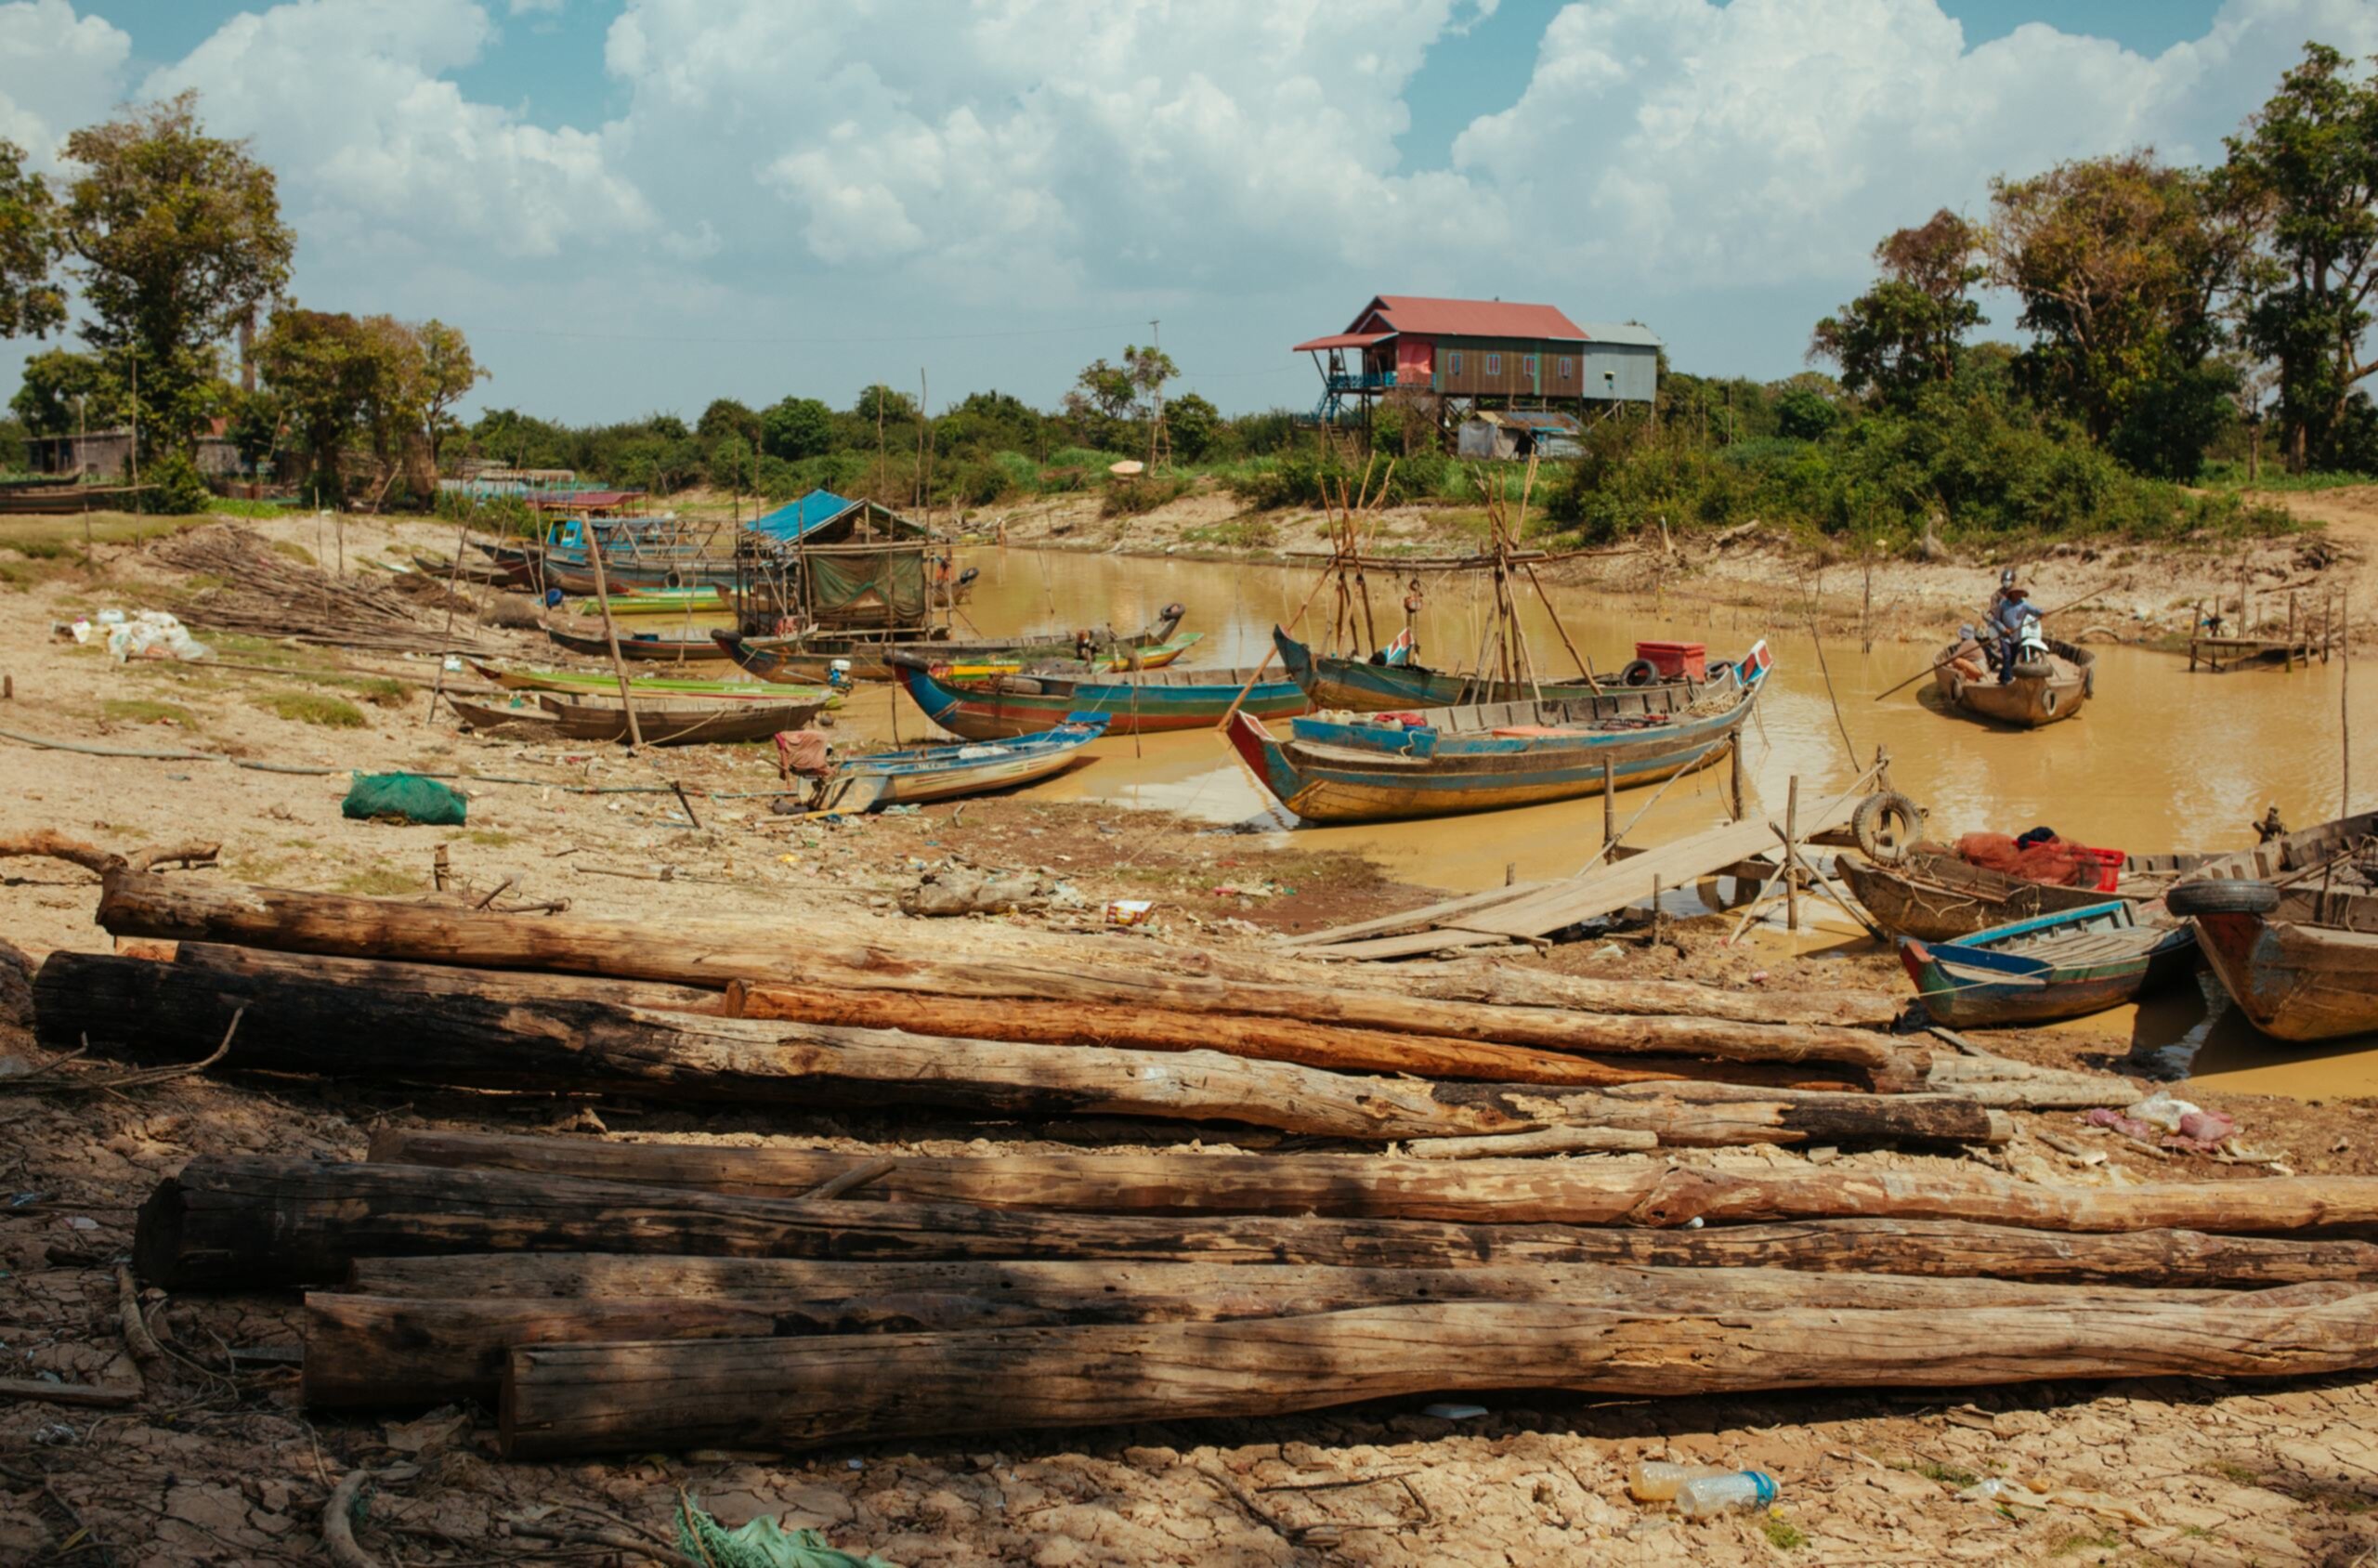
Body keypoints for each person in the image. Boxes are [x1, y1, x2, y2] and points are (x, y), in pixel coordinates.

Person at [1989, 578, 2042, 683]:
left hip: (2016, 637)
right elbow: (1996, 620)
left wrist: (2042, 613)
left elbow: (2034, 610)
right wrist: (2004, 629)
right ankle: (2008, 680)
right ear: (2012, 594)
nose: (2019, 595)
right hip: (2004, 637)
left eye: (2021, 593)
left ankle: (2002, 677)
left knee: (2012, 659)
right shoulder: (2003, 604)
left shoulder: (2024, 605)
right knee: (2007, 656)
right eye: (2017, 593)